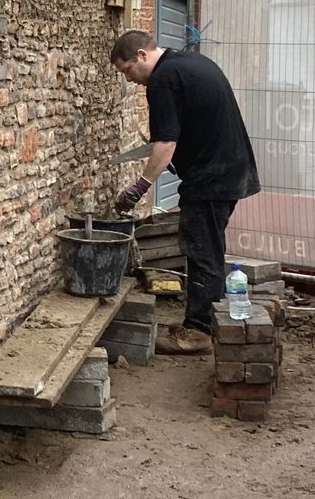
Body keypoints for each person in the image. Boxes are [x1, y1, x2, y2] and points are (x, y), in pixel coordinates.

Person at [110, 31, 260, 354]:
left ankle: (199, 332)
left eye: (128, 71)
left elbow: (164, 147)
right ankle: (208, 320)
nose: (131, 80)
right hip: (229, 167)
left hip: (212, 176)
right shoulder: (187, 61)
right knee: (208, 247)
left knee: (201, 249)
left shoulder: (163, 80)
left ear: (141, 55)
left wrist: (139, 187)